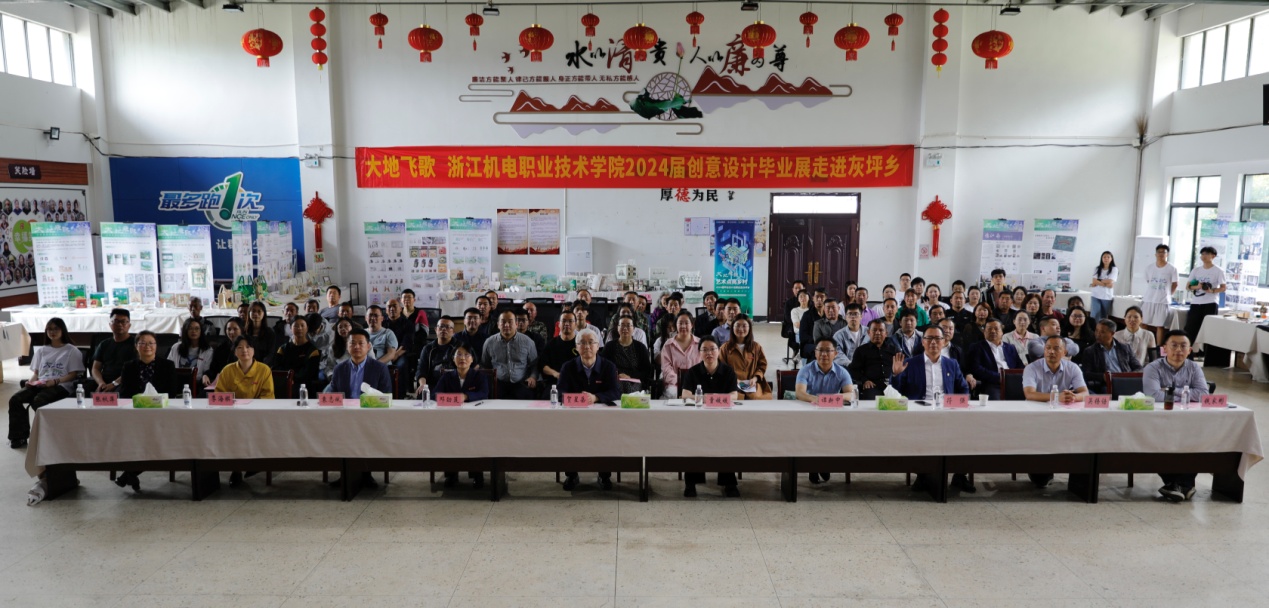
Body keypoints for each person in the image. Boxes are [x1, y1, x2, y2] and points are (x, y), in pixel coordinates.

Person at [891, 326, 973, 493]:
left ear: (944, 342)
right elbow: (896, 392)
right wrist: (896, 375)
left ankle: (959, 476)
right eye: (929, 338)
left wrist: (959, 404)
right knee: (920, 436)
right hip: (919, 413)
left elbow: (963, 389)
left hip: (948, 411)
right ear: (923, 342)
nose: (933, 342)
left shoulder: (952, 364)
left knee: (966, 433)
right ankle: (923, 475)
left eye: (937, 338)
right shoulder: (910, 363)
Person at [1143, 330, 1211, 503]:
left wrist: (1171, 391)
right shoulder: (1153, 368)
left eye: (1183, 346)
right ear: (1164, 348)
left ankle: (1176, 486)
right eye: (1174, 345)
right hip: (1159, 421)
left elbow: (1203, 394)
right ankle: (1184, 485)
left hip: (1189, 421)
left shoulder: (1194, 367)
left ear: (1190, 350)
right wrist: (1187, 393)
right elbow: (1153, 395)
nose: (1178, 350)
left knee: (1198, 441)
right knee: (1155, 442)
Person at [113, 331, 181, 492]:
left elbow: (171, 392)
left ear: (156, 346)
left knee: (154, 438)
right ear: (136, 346)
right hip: (135, 413)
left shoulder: (167, 365)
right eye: (142, 343)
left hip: (161, 414)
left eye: (151, 343)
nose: (147, 346)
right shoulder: (129, 366)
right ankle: (131, 473)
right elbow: (125, 393)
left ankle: (130, 473)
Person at [559, 328, 622, 491]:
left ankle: (604, 475)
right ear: (576, 347)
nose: (587, 346)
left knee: (605, 437)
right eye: (582, 343)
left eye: (591, 342)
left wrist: (595, 397)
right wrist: (579, 399)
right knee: (569, 437)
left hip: (602, 418)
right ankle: (571, 475)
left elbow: (616, 392)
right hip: (574, 417)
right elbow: (560, 393)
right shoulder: (568, 367)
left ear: (598, 345)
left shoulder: (608, 366)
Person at [1021, 336, 1088, 488]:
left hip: (1064, 417)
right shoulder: (1032, 368)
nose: (1051, 352)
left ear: (1064, 352)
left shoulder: (1073, 368)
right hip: (1036, 417)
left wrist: (1074, 397)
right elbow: (1029, 394)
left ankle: (1077, 471)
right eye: (1048, 348)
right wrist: (1056, 397)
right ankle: (1041, 470)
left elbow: (1085, 393)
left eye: (1056, 348)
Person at [680, 336, 741, 497]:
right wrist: (706, 398)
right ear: (699, 353)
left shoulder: (728, 371)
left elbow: (734, 395)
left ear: (718, 351)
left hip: (723, 419)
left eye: (712, 349)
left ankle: (728, 482)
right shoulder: (693, 371)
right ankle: (691, 483)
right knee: (693, 441)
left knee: (726, 440)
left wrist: (709, 398)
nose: (709, 353)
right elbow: (685, 395)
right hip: (698, 420)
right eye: (704, 350)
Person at [8, 318, 83, 449]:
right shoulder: (41, 350)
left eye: (56, 329)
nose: (52, 332)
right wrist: (31, 382)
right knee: (15, 399)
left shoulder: (72, 350)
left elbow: (73, 374)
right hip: (41, 383)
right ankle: (19, 437)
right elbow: (37, 373)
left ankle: (49, 435)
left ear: (63, 330)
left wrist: (55, 381)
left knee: (39, 401)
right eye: (49, 329)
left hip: (61, 385)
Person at [796, 338, 856, 484]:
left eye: (828, 351)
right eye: (820, 350)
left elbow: (851, 394)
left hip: (832, 414)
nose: (824, 354)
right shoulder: (805, 370)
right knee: (812, 434)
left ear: (835, 353)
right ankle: (813, 467)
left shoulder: (842, 372)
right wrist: (816, 400)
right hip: (809, 413)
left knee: (833, 435)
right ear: (815, 353)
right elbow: (800, 393)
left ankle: (824, 464)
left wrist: (834, 398)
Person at [434, 344, 489, 488]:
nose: (462, 358)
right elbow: (436, 394)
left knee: (475, 441)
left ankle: (477, 475)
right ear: (453, 359)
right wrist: (452, 399)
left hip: (475, 420)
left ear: (472, 359)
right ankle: (451, 475)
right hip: (451, 419)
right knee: (449, 440)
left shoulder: (479, 376)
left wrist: (466, 396)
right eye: (458, 354)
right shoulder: (447, 376)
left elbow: (484, 393)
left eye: (466, 355)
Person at [481, 310, 539, 399]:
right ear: (498, 324)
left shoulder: (528, 342)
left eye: (510, 322)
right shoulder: (489, 342)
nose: (506, 325)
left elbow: (534, 365)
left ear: (516, 324)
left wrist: (533, 377)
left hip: (521, 383)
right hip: (498, 383)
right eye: (503, 322)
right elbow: (485, 365)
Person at [1076, 319, 1143, 393]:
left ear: (1112, 333)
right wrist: (1103, 377)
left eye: (1102, 332)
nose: (1097, 334)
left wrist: (1129, 376)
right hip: (1106, 384)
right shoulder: (1090, 351)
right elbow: (1086, 374)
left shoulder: (1125, 348)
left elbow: (1139, 368)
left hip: (1126, 381)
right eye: (1096, 331)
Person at [964, 319, 1025, 400]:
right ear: (984, 332)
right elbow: (977, 368)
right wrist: (999, 377)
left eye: (996, 328)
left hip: (1012, 382)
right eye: (989, 329)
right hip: (992, 383)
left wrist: (1014, 378)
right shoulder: (977, 347)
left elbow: (1020, 366)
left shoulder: (1010, 347)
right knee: (996, 402)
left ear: (1002, 332)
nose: (993, 331)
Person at [1185, 246, 1226, 350]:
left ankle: (1206, 354)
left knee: (1209, 329)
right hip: (1196, 302)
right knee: (1190, 328)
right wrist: (1197, 286)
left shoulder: (1218, 271)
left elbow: (1223, 288)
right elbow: (1188, 287)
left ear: (1213, 256)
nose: (1204, 256)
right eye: (1202, 254)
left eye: (1206, 254)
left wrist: (1212, 290)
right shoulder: (1196, 270)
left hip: (1210, 303)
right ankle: (1187, 351)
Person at [721, 315, 771, 399]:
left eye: (744, 326)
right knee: (733, 399)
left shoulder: (756, 347)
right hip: (731, 385)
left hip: (752, 385)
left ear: (749, 328)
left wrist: (755, 378)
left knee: (756, 399)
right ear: (732, 328)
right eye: (737, 326)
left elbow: (762, 366)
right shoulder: (725, 348)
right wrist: (734, 380)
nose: (741, 329)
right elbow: (721, 368)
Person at [268, 316, 322, 394]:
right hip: (284, 382)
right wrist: (288, 379)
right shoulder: (283, 349)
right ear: (291, 328)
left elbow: (309, 373)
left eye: (302, 325)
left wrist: (293, 379)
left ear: (307, 328)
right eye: (296, 326)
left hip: (304, 385)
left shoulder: (313, 351)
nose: (299, 328)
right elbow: (277, 367)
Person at [88, 308, 137, 393]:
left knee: (120, 392)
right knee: (79, 391)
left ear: (129, 325)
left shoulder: (136, 344)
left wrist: (114, 384)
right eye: (116, 321)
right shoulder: (104, 344)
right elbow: (95, 368)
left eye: (124, 322)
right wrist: (101, 383)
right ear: (110, 324)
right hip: (104, 381)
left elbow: (134, 370)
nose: (120, 324)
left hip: (125, 381)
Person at [848, 320, 897, 400]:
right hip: (872, 385)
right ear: (868, 332)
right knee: (871, 401)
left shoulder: (893, 350)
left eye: (881, 330)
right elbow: (854, 370)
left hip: (891, 384)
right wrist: (864, 380)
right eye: (874, 330)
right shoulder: (861, 350)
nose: (877, 333)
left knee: (899, 400)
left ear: (886, 333)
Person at [604, 316, 654, 393]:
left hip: (635, 381)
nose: (625, 328)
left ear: (633, 329)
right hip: (614, 380)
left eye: (628, 325)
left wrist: (630, 376)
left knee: (627, 386)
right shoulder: (609, 346)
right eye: (622, 325)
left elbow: (647, 371)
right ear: (618, 328)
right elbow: (604, 366)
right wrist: (617, 375)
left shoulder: (640, 347)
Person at [169, 317, 215, 394]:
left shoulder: (207, 350)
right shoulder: (176, 347)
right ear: (185, 330)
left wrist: (205, 376)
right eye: (190, 328)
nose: (194, 331)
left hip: (197, 384)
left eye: (197, 328)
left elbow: (207, 370)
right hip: (176, 382)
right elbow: (169, 366)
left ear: (201, 331)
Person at [659, 311, 700, 398]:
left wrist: (692, 382)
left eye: (686, 323)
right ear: (676, 326)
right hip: (674, 385)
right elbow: (666, 369)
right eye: (680, 323)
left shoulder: (700, 344)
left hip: (697, 384)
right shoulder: (668, 345)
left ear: (692, 325)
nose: (683, 326)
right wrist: (680, 381)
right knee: (673, 395)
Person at [1143, 244, 1179, 342]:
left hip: (1163, 301)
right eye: (1159, 252)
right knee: (1143, 323)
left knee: (1160, 325)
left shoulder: (1172, 268)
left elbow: (1175, 284)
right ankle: (1144, 343)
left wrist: (1169, 294)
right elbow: (1148, 281)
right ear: (1155, 254)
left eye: (1164, 252)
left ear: (1167, 254)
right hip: (1149, 299)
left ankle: (1158, 347)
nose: (1161, 254)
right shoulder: (1149, 267)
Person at [415, 316, 458, 394]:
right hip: (433, 385)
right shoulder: (427, 348)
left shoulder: (460, 347)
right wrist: (423, 385)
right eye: (441, 326)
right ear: (436, 329)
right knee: (422, 394)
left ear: (453, 332)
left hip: (453, 385)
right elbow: (421, 369)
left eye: (448, 327)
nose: (444, 329)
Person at [541, 311, 580, 389]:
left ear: (576, 324)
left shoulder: (581, 344)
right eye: (564, 321)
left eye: (570, 321)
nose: (567, 324)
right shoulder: (551, 344)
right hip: (555, 383)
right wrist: (555, 373)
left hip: (576, 382)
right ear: (559, 324)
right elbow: (543, 366)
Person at [209, 318, 244, 390]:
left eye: (235, 329)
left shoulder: (248, 348)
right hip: (223, 384)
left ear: (242, 330)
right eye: (229, 329)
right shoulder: (221, 348)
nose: (231, 332)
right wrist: (206, 375)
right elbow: (214, 369)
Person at [320, 318, 355, 384]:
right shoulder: (333, 348)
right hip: (339, 379)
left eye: (346, 326)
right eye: (340, 327)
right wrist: (331, 376)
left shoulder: (361, 344)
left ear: (352, 327)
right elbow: (330, 367)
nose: (343, 329)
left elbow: (371, 364)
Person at [798, 289, 827, 359]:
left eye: (822, 297)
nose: (819, 299)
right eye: (817, 297)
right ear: (813, 298)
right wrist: (819, 342)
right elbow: (803, 336)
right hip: (810, 344)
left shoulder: (828, 315)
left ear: (826, 298)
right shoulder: (807, 315)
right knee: (817, 350)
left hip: (828, 344)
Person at [1089, 251, 1118, 321]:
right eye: (1104, 257)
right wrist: (1106, 284)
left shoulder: (1114, 269)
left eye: (1108, 257)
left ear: (1111, 259)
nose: (1106, 259)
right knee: (1095, 314)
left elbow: (1110, 281)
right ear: (1101, 258)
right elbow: (1094, 281)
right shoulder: (1097, 268)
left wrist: (1098, 281)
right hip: (1095, 295)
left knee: (1103, 316)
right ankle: (1093, 327)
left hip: (1106, 296)